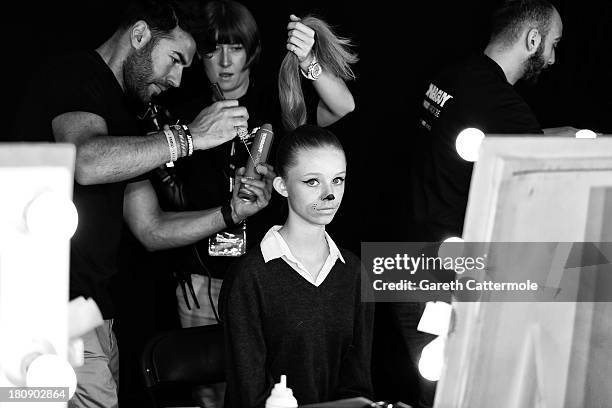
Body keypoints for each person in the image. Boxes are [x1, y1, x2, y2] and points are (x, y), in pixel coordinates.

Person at [12, 0, 274, 406]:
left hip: (91, 314)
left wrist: (230, 213)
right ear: (139, 36)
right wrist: (190, 138)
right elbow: (85, 161)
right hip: (43, 308)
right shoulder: (73, 74)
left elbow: (151, 228)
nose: (176, 78)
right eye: (174, 60)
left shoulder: (123, 117)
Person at [155, 0, 358, 330]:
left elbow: (343, 105)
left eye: (235, 48)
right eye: (213, 50)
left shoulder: (280, 103)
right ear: (197, 54)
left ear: (251, 52)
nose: (224, 62)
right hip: (202, 276)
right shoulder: (185, 116)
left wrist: (310, 60)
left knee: (269, 376)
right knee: (204, 377)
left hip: (269, 272)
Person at [220, 125, 374, 408]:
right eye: (313, 182)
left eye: (338, 180)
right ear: (282, 186)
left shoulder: (353, 272)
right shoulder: (250, 277)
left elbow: (357, 386)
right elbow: (248, 393)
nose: (329, 194)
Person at [414, 0, 567, 242]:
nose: (552, 59)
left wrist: (566, 133)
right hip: (450, 258)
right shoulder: (504, 107)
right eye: (554, 44)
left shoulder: (451, 74)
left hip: (408, 240)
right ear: (534, 40)